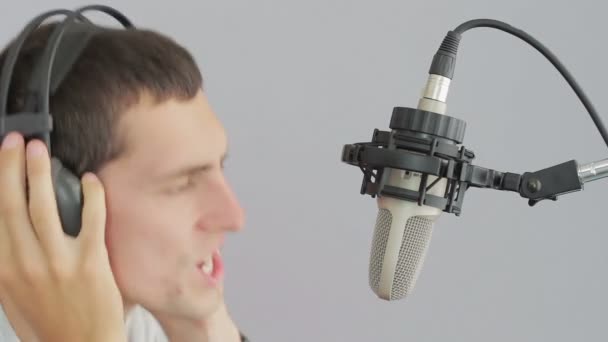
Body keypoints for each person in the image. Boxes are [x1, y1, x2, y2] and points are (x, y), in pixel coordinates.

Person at [0, 10, 248, 342]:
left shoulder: (138, 324)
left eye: (220, 166)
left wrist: (205, 330)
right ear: (57, 204)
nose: (234, 218)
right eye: (181, 184)